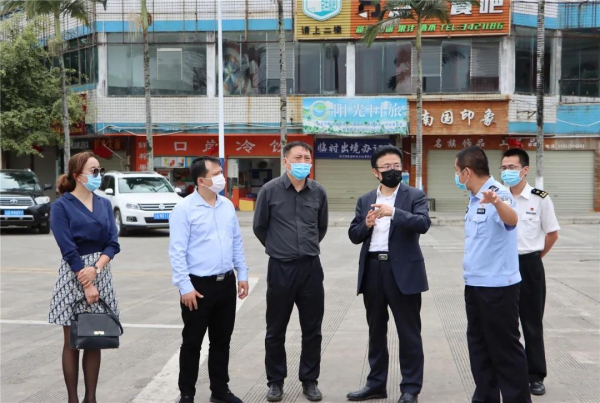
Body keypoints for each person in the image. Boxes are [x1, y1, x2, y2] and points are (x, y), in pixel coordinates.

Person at [347, 146, 430, 403]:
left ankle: (411, 388)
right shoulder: (365, 199)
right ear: (376, 172)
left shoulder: (415, 195)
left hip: (403, 271)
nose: (393, 170)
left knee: (408, 331)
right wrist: (366, 224)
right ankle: (376, 384)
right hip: (373, 269)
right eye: (387, 167)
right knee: (376, 331)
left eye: (396, 166)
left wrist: (393, 212)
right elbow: (354, 235)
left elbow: (423, 223)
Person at [169, 156, 249, 403]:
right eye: (215, 174)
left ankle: (220, 390)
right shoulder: (184, 209)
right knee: (192, 342)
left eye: (220, 172)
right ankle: (187, 393)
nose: (221, 177)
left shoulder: (226, 206)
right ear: (201, 181)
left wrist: (242, 274)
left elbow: (236, 241)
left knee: (222, 341)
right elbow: (177, 251)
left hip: (225, 284)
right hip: (197, 287)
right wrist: (185, 287)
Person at [454, 146, 531, 403]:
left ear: (467, 172)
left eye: (457, 171)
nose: (456, 177)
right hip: (475, 284)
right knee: (479, 347)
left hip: (498, 288)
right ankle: (485, 397)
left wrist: (496, 202)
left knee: (505, 350)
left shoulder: (499, 193)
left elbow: (512, 220)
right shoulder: (474, 198)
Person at [253, 141, 328, 402]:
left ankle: (310, 380)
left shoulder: (318, 191)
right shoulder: (270, 190)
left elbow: (321, 227)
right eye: (298, 157)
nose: (303, 162)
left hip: (310, 268)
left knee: (312, 329)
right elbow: (260, 227)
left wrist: (305, 247)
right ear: (285, 161)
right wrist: (279, 247)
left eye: (307, 157)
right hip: (280, 268)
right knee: (275, 329)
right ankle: (275, 381)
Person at [49, 151, 120, 403]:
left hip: (100, 272)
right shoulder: (61, 206)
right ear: (78, 175)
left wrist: (97, 269)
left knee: (94, 338)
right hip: (74, 274)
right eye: (93, 171)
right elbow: (67, 248)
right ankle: (73, 399)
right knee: (72, 341)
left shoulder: (104, 204)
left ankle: (91, 398)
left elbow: (113, 243)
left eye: (100, 170)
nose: (98, 175)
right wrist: (87, 281)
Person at [501, 148, 560, 396]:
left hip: (529, 264)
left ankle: (535, 375)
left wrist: (535, 257)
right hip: (502, 267)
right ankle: (509, 372)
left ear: (525, 170)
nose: (507, 171)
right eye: (504, 167)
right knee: (505, 323)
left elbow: (552, 234)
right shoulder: (498, 196)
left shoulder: (540, 198)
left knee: (532, 322)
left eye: (512, 167)